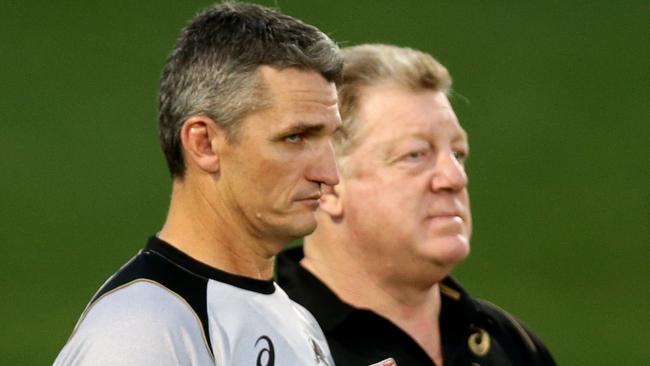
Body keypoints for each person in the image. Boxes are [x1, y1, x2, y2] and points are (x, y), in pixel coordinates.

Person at [54, 2, 343, 365]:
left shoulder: (301, 324)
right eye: (295, 137)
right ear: (204, 144)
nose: (329, 174)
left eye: (331, 138)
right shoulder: (142, 331)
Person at [277, 44, 557, 366]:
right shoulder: (264, 345)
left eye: (457, 153)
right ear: (328, 185)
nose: (454, 178)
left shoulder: (510, 345)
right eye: (415, 155)